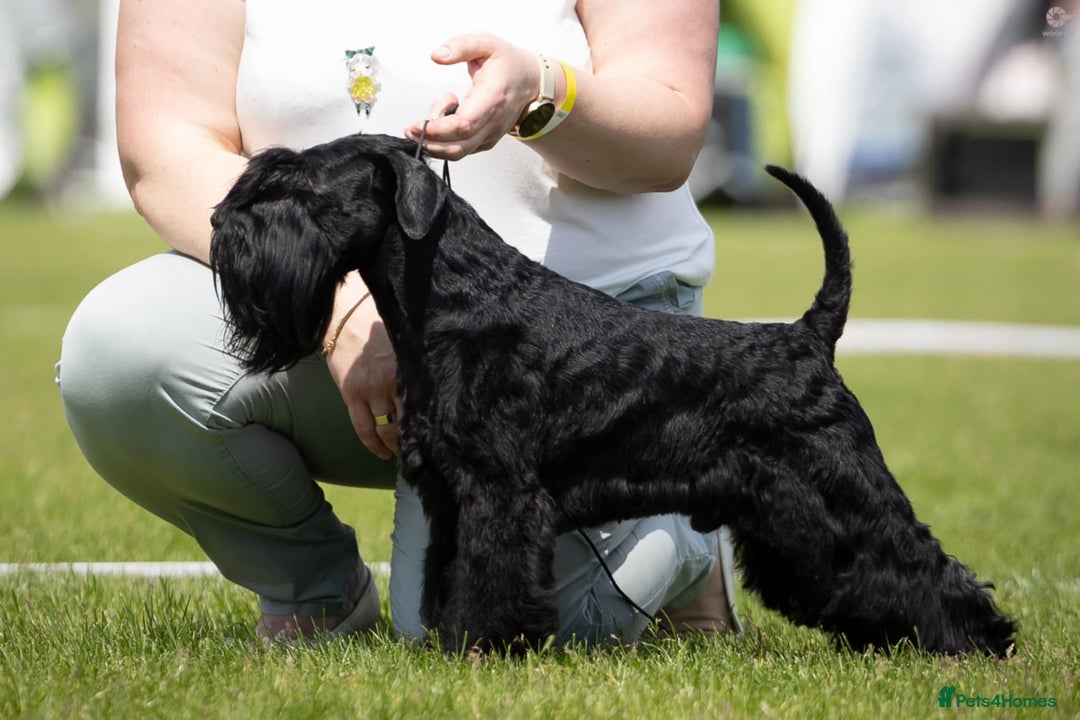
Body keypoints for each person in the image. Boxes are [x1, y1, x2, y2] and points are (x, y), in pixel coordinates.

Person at [58, 0, 741, 645]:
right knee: (120, 350)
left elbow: (670, 135)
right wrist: (341, 307)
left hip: (579, 352)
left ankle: (683, 496)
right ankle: (312, 590)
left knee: (482, 627)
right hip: (349, 329)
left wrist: (542, 90)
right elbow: (165, 147)